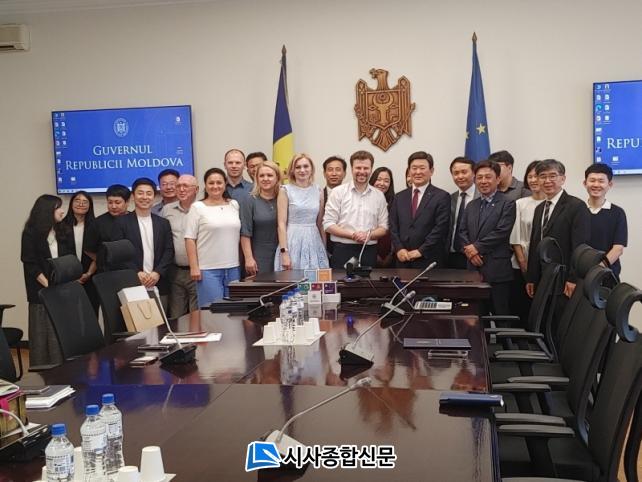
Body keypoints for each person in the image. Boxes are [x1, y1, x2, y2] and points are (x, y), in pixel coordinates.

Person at [21, 195, 74, 366]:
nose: (62, 211)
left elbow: (69, 258)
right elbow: (30, 264)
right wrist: (49, 286)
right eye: (58, 208)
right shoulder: (30, 233)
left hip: (62, 291)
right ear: (47, 211)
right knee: (42, 336)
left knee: (62, 336)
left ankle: (64, 371)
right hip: (41, 293)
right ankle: (43, 374)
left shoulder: (62, 230)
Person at [526, 159, 591, 300]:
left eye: (552, 176)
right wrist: (531, 277)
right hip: (542, 277)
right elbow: (535, 244)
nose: (547, 181)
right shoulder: (539, 209)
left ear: (562, 179)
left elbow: (580, 246)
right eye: (543, 176)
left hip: (564, 278)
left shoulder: (576, 206)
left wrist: (573, 278)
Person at [459, 160, 516, 315]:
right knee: (476, 315)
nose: (483, 181)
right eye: (479, 177)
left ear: (498, 179)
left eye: (488, 177)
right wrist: (471, 253)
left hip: (497, 270)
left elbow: (501, 231)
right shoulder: (471, 205)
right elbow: (462, 232)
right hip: (473, 269)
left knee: (501, 314)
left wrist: (476, 247)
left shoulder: (508, 203)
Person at [111, 178, 174, 306]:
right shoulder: (121, 223)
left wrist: (157, 272)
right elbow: (119, 254)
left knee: (161, 318)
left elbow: (169, 250)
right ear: (133, 196)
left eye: (149, 193)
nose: (145, 197)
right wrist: (136, 273)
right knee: (136, 318)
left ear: (154, 197)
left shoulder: (163, 223)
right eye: (140, 193)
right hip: (131, 283)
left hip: (158, 282)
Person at [323, 150, 388, 269]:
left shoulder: (379, 196)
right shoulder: (337, 192)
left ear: (371, 169)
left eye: (366, 168)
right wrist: (353, 235)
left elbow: (384, 227)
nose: (362, 171)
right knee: (341, 281)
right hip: (342, 250)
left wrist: (368, 235)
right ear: (352, 169)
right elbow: (328, 224)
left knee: (369, 282)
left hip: (369, 251)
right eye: (358, 168)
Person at [185, 168, 241, 306]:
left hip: (233, 268)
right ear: (205, 185)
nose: (215, 186)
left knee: (234, 310)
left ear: (225, 184)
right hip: (208, 270)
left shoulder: (233, 205)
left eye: (219, 182)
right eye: (211, 183)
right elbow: (190, 239)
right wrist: (194, 267)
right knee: (212, 311)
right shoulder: (197, 207)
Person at [389, 152, 450, 268]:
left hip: (428, 260)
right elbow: (393, 226)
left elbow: (441, 228)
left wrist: (421, 250)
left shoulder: (442, 196)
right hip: (402, 259)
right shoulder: (399, 197)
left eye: (422, 168)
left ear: (431, 171)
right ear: (409, 170)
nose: (418, 172)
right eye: (414, 168)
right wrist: (399, 248)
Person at [275, 154, 329, 270]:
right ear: (292, 170)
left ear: (311, 169)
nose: (302, 170)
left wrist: (324, 248)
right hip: (292, 240)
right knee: (292, 277)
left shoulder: (318, 190)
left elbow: (320, 224)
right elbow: (281, 224)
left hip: (314, 240)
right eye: (298, 167)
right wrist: (284, 252)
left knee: (315, 277)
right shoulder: (285, 190)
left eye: (306, 166)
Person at [509, 161, 545, 321]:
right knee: (522, 309)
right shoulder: (520, 203)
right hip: (521, 265)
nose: (533, 180)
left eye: (538, 176)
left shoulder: (554, 204)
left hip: (546, 265)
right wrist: (523, 263)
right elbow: (515, 236)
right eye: (530, 176)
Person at [162, 174, 200, 318]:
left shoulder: (202, 208)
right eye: (178, 186)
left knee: (197, 315)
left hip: (198, 271)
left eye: (186, 186)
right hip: (175, 271)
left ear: (196, 189)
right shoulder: (167, 210)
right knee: (176, 316)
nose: (181, 189)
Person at [583, 163, 627, 278]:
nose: (596, 184)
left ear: (610, 184)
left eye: (601, 181)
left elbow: (618, 249)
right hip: (580, 274)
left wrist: (598, 269)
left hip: (607, 274)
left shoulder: (617, 213)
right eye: (592, 180)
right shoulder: (578, 210)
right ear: (585, 183)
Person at [241, 161, 281, 276]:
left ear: (277, 177)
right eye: (261, 176)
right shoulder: (249, 200)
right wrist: (249, 258)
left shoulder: (283, 198)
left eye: (270, 175)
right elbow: (245, 232)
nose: (265, 179)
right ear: (257, 179)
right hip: (259, 256)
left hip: (282, 253)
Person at [63, 190, 99, 313]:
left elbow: (98, 254)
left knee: (90, 313)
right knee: (70, 315)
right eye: (77, 201)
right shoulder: (61, 226)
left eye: (85, 202)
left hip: (91, 277)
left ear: (90, 206)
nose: (81, 204)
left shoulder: (96, 226)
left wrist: (88, 274)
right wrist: (70, 276)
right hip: (67, 280)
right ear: (71, 204)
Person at [85, 184, 130, 269]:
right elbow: (88, 249)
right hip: (107, 270)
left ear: (127, 202)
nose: (113, 206)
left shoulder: (134, 219)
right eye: (110, 202)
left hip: (133, 269)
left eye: (117, 202)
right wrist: (102, 262)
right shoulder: (98, 222)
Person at [446, 157, 478, 269]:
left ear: (474, 173)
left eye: (464, 172)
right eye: (456, 173)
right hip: (451, 255)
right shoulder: (449, 198)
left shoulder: (483, 197)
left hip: (475, 255)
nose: (460, 176)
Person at [369, 166, 395, 267]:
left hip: (391, 254)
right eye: (378, 179)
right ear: (372, 181)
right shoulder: (363, 201)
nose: (382, 183)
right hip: (368, 250)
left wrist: (392, 253)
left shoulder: (395, 203)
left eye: (386, 181)